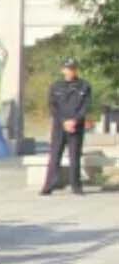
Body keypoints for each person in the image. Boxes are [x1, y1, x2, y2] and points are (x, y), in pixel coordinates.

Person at [42, 57, 91, 195]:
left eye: (73, 69)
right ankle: (49, 186)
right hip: (60, 126)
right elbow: (52, 106)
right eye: (68, 69)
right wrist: (64, 121)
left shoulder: (84, 86)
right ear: (62, 70)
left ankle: (76, 186)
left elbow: (85, 106)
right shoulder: (56, 86)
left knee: (74, 156)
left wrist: (74, 120)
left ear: (76, 70)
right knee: (55, 155)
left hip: (76, 126)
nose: (70, 71)